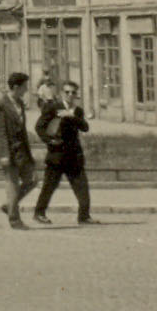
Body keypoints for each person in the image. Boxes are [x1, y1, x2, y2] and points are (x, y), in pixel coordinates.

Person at [35, 80, 97, 225]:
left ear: (76, 94)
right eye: (67, 92)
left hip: (74, 155)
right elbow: (39, 127)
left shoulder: (77, 110)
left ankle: (84, 216)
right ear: (62, 93)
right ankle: (39, 213)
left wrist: (72, 117)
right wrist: (49, 141)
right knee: (49, 186)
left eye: (73, 92)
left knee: (82, 186)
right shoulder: (53, 108)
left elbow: (85, 127)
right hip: (56, 154)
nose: (70, 95)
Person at [0, 72, 37, 229]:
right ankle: (14, 220)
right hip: (9, 151)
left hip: (22, 150)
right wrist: (4, 154)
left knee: (32, 180)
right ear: (16, 87)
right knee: (12, 185)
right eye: (25, 86)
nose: (27, 89)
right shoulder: (1, 104)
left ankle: (9, 206)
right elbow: (0, 131)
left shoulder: (19, 102)